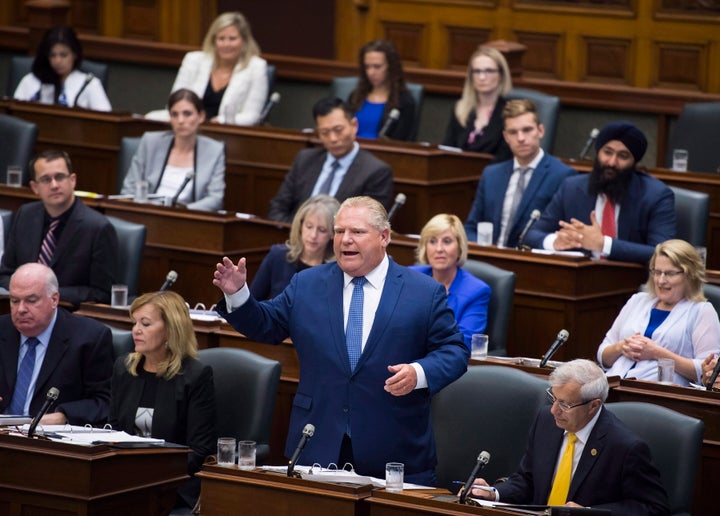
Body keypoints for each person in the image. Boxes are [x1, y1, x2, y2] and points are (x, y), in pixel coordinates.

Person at [214, 196, 468, 485]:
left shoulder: (423, 292)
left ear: (384, 236)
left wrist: (419, 373)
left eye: (357, 232)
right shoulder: (306, 283)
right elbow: (266, 325)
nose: (345, 240)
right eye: (339, 231)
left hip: (394, 449)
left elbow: (455, 351)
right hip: (317, 441)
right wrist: (238, 295)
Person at [468, 359, 669, 514]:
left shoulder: (625, 447)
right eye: (553, 398)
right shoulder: (546, 421)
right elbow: (527, 480)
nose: (554, 410)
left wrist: (590, 514)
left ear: (594, 406)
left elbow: (654, 508)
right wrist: (494, 493)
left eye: (565, 404)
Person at [108, 290, 216, 509]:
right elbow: (113, 430)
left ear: (170, 330)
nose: (136, 330)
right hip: (123, 482)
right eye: (135, 322)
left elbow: (198, 451)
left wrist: (149, 474)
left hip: (170, 486)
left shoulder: (195, 376)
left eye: (145, 324)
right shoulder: (125, 368)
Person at [524, 121, 676, 264]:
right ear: (598, 153)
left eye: (623, 156)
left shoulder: (656, 195)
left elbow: (663, 253)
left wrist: (604, 244)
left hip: (629, 284)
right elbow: (532, 235)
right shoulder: (571, 188)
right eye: (607, 152)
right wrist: (555, 242)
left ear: (634, 162)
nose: (611, 162)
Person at [0, 150, 118, 306]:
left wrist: (45, 294)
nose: (54, 185)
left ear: (73, 180)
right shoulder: (25, 215)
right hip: (22, 312)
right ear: (35, 187)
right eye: (46, 179)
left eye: (60, 177)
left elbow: (102, 293)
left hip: (68, 316)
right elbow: (5, 274)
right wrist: (27, 292)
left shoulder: (98, 228)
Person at [0, 263, 113, 426]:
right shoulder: (2, 329)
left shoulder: (89, 338)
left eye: (31, 300)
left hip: (49, 442)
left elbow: (105, 402)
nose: (21, 309)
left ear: (54, 299)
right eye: (14, 300)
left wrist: (64, 416)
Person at [597, 240, 720, 386]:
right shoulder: (637, 301)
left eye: (669, 273)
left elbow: (709, 372)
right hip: (612, 386)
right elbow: (602, 356)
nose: (661, 280)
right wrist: (621, 347)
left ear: (689, 275)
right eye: (657, 272)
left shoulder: (701, 311)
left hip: (660, 394)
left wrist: (657, 353)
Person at [464, 99, 577, 246]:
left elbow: (564, 233)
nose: (521, 138)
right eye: (513, 132)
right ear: (506, 137)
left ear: (540, 131)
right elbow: (471, 227)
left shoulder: (564, 176)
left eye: (527, 130)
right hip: (488, 261)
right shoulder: (491, 174)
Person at [267, 97, 393, 223]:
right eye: (324, 132)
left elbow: (367, 224)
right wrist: (297, 235)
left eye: (338, 130)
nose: (332, 138)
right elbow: (278, 207)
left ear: (354, 125)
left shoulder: (376, 171)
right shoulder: (305, 159)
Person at [146, 12, 267, 125]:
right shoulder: (193, 60)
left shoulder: (256, 67)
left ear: (244, 41)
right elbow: (175, 102)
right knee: (149, 119)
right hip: (188, 125)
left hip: (225, 130)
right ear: (213, 41)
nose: (226, 44)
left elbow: (252, 115)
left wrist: (219, 121)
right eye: (221, 38)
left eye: (232, 39)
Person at [121, 89, 226, 211]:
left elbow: (215, 199)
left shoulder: (214, 150)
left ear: (201, 116)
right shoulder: (150, 142)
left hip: (188, 218)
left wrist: (183, 211)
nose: (180, 121)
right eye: (174, 114)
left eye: (187, 114)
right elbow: (129, 189)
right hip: (146, 213)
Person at [410, 214, 490, 349]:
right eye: (432, 241)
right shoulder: (411, 277)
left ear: (459, 247)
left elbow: (465, 341)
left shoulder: (476, 291)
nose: (439, 249)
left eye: (447, 241)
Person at [251, 194, 339, 300]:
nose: (313, 235)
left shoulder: (337, 269)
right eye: (309, 226)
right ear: (300, 225)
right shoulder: (278, 255)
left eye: (322, 230)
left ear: (332, 233)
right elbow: (253, 301)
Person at [13, 26, 111, 111]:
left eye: (63, 55)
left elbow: (106, 120)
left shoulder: (90, 84)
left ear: (75, 54)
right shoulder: (30, 81)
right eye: (52, 55)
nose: (58, 61)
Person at [442, 46, 513, 161]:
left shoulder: (510, 113)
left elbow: (505, 158)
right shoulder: (461, 109)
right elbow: (447, 149)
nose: (482, 77)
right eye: (477, 71)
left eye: (489, 71)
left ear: (501, 75)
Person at [347, 39, 416, 141]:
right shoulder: (355, 96)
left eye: (377, 67)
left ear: (391, 67)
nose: (371, 72)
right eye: (367, 67)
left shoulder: (404, 102)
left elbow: (404, 141)